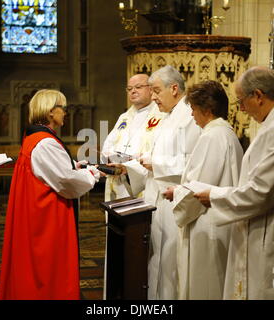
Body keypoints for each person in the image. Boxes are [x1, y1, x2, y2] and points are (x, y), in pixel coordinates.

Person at [193, 67, 274, 299]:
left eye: (242, 101)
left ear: (258, 95)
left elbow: (260, 193)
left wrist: (213, 197)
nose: (241, 109)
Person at [0, 89, 100, 300]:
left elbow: (50, 169)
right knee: (49, 271)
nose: (66, 113)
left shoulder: (34, 137)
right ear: (50, 112)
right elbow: (65, 180)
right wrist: (91, 174)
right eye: (62, 108)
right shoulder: (46, 142)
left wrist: (74, 165)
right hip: (47, 219)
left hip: (35, 214)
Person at [162, 80, 243, 300]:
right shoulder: (226, 133)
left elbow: (199, 187)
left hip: (208, 224)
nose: (191, 115)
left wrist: (175, 192)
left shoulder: (212, 136)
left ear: (207, 110)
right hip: (218, 220)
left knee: (205, 286)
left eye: (194, 109)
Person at [130, 65, 201, 299]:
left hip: (173, 199)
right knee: (156, 259)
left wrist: (156, 162)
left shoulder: (189, 116)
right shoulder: (167, 116)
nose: (153, 97)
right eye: (151, 91)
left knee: (171, 263)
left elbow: (192, 162)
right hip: (156, 197)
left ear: (174, 88)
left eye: (157, 91)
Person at [100, 73, 164, 299]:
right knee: (117, 246)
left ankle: (136, 293)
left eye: (138, 87)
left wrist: (131, 165)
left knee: (138, 249)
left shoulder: (161, 117)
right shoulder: (123, 117)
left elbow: (156, 153)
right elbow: (108, 145)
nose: (133, 92)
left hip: (140, 187)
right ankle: (118, 292)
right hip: (118, 187)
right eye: (129, 88)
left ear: (150, 89)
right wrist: (109, 157)